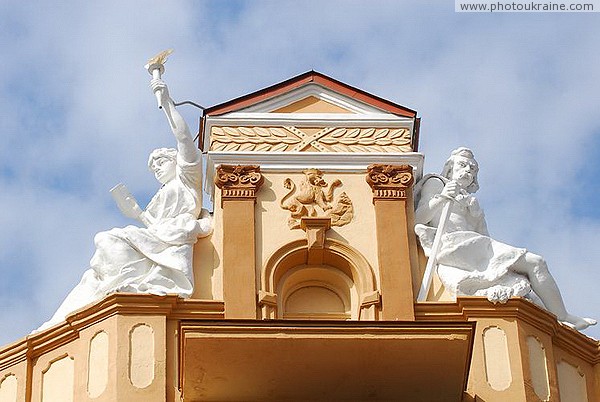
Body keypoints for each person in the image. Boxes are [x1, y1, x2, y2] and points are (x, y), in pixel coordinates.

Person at [37, 78, 212, 331]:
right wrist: (138, 213)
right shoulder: (160, 196)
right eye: (153, 168)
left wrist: (167, 103)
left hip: (170, 243)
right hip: (157, 242)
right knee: (93, 273)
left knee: (107, 240)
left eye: (161, 162)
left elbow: (184, 138)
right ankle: (54, 326)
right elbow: (155, 229)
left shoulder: (186, 180)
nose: (157, 169)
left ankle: (127, 281)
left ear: (176, 161)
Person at [414, 147, 595, 330]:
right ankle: (559, 320)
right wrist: (442, 198)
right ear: (450, 168)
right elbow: (417, 218)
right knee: (531, 267)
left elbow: (484, 236)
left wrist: (476, 216)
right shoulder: (437, 182)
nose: (468, 170)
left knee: (536, 263)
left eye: (472, 168)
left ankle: (561, 317)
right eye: (462, 165)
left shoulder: (471, 201)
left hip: (477, 246)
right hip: (452, 245)